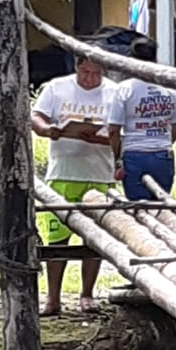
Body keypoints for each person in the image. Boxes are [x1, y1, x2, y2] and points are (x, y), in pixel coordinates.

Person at [32, 57, 116, 316]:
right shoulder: (56, 88)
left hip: (99, 174)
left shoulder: (115, 93)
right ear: (76, 68)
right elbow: (36, 116)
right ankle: (53, 298)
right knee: (57, 238)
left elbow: (122, 132)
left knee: (93, 238)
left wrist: (101, 138)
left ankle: (87, 294)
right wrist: (49, 130)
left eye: (95, 73)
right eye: (85, 72)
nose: (90, 78)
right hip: (63, 173)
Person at [108, 37, 176, 200]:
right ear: (155, 58)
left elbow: (113, 130)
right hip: (163, 155)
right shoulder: (169, 88)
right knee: (162, 204)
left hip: (134, 154)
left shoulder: (124, 89)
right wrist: (164, 141)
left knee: (138, 206)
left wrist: (117, 157)